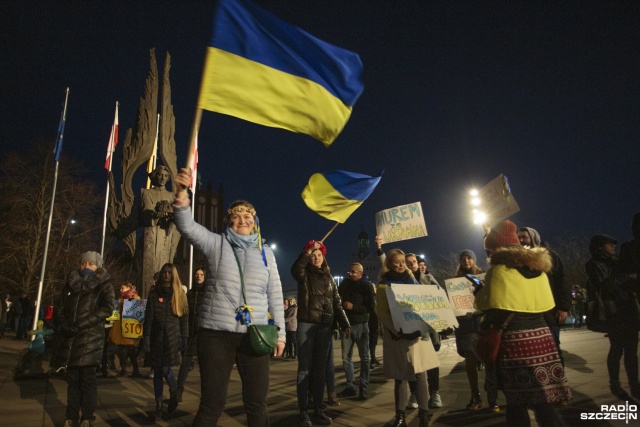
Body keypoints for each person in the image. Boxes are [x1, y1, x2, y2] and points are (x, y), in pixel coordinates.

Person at [173, 167, 286, 427]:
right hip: (216, 334)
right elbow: (186, 226)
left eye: (247, 216)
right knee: (212, 404)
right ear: (228, 222)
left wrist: (280, 333)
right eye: (236, 216)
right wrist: (181, 194)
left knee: (257, 404)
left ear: (255, 222)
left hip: (255, 335)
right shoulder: (216, 244)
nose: (242, 220)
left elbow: (275, 293)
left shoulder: (266, 253)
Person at [474, 220, 570, 426]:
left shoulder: (498, 271)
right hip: (542, 337)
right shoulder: (539, 268)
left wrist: (479, 292)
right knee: (544, 400)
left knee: (516, 401)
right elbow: (546, 302)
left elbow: (489, 305)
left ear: (497, 247)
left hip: (515, 340)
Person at [51, 251, 114, 427]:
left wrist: (82, 323)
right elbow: (59, 307)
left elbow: (107, 308)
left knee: (87, 381)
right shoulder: (70, 284)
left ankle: (87, 417)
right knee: (72, 382)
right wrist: (64, 324)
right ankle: (70, 416)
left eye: (90, 264)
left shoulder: (104, 285)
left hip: (90, 339)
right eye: (83, 263)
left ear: (98, 266)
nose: (86, 267)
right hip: (71, 340)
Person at [292, 240, 350, 427]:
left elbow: (337, 303)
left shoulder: (330, 278)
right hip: (307, 324)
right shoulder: (304, 274)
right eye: (313, 255)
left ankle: (317, 408)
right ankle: (303, 411)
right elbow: (295, 269)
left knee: (319, 371)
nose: (316, 258)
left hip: (324, 328)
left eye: (319, 255)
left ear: (324, 257)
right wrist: (307, 250)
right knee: (304, 370)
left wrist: (344, 323)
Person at [378, 248, 437, 427]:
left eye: (403, 261)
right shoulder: (383, 286)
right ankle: (400, 415)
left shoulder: (413, 282)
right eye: (397, 262)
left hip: (418, 335)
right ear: (389, 263)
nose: (401, 264)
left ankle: (424, 414)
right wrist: (398, 330)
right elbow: (382, 312)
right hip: (398, 337)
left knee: (420, 374)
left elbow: (425, 305)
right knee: (400, 377)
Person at [585, 234, 640, 400]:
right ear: (600, 246)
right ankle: (614, 383)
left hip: (628, 309)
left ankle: (634, 384)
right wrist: (627, 277)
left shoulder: (617, 261)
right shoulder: (593, 263)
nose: (613, 247)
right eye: (610, 244)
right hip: (613, 311)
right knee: (617, 348)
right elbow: (604, 286)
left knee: (631, 349)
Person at [452, 249, 500, 412]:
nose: (466, 261)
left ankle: (492, 397)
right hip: (465, 327)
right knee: (470, 363)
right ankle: (475, 395)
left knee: (489, 362)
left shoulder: (483, 276)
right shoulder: (454, 281)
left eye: (469, 258)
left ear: (474, 260)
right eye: (463, 258)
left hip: (482, 324)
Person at [518, 227, 571, 366]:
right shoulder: (520, 260)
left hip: (550, 313)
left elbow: (563, 282)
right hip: (530, 313)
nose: (521, 240)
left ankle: (559, 382)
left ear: (534, 237)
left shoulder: (551, 257)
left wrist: (563, 307)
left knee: (554, 349)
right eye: (519, 237)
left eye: (524, 237)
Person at [143, 263, 189, 421]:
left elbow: (184, 318)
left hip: (171, 338)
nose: (167, 275)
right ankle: (158, 404)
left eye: (170, 272)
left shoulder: (179, 294)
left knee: (165, 369)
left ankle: (174, 391)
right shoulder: (154, 293)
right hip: (156, 338)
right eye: (164, 272)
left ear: (173, 275)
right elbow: (148, 317)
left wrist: (184, 337)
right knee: (157, 371)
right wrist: (146, 337)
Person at [405, 254, 442, 410]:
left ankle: (435, 393)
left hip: (429, 324)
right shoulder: (402, 282)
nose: (413, 264)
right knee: (414, 362)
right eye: (409, 263)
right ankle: (414, 393)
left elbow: (439, 295)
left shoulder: (428, 278)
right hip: (412, 325)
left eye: (414, 262)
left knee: (432, 361)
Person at [336, 262, 375, 401]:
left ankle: (363, 387)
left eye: (354, 272)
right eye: (350, 271)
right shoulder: (345, 284)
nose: (351, 274)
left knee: (365, 358)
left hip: (362, 325)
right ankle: (350, 386)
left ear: (360, 273)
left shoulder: (366, 286)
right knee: (346, 358)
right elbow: (336, 296)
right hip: (347, 326)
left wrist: (354, 307)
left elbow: (371, 307)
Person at [141, 165, 181, 292]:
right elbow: (146, 211)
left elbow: (177, 215)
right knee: (150, 264)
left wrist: (172, 217)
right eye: (159, 175)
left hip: (167, 235)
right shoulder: (147, 193)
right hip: (152, 233)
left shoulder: (172, 196)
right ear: (155, 176)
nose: (162, 178)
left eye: (165, 176)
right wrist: (155, 215)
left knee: (166, 261)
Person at [176, 267, 206, 403]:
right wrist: (184, 333)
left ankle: (206, 396)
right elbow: (185, 313)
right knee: (185, 363)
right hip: (191, 333)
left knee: (205, 367)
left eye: (201, 274)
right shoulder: (190, 293)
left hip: (204, 334)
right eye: (196, 274)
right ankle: (178, 392)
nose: (198, 276)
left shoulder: (208, 293)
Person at [108, 283, 142, 378]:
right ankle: (126, 369)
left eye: (122, 288)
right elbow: (115, 313)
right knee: (122, 349)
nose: (120, 289)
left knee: (130, 349)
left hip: (130, 327)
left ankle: (132, 369)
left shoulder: (135, 298)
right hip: (121, 328)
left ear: (129, 288)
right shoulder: (120, 299)